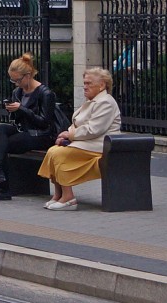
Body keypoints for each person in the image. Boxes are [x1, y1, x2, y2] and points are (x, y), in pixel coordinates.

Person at [37, 67, 122, 211]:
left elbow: (94, 129)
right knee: (53, 151)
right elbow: (76, 124)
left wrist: (69, 135)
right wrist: (64, 135)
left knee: (60, 155)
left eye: (89, 83)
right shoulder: (92, 101)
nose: (85, 86)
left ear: (102, 85)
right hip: (86, 144)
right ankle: (59, 194)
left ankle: (69, 198)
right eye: (84, 83)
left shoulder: (106, 102)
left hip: (99, 147)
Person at [0, 53, 58, 201]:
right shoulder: (17, 92)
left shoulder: (45, 93)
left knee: (4, 145)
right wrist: (12, 110)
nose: (16, 84)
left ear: (28, 75)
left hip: (41, 134)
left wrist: (22, 109)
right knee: (0, 129)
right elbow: (17, 121)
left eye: (18, 80)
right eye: (13, 80)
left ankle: (2, 187)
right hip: (24, 130)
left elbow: (44, 122)